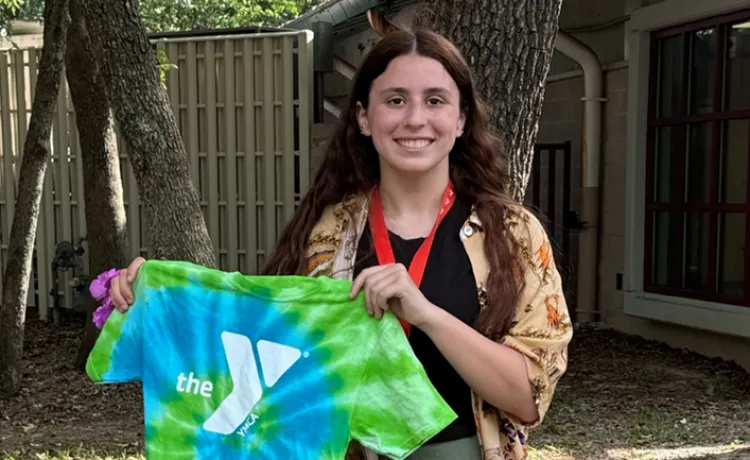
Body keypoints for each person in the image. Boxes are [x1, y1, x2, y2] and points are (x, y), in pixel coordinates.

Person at [107, 18, 572, 460]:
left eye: (435, 100)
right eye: (394, 100)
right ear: (364, 118)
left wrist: (426, 315)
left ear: (462, 120)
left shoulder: (510, 235)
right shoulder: (328, 232)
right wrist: (157, 295)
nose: (415, 118)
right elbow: (258, 351)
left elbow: (528, 397)